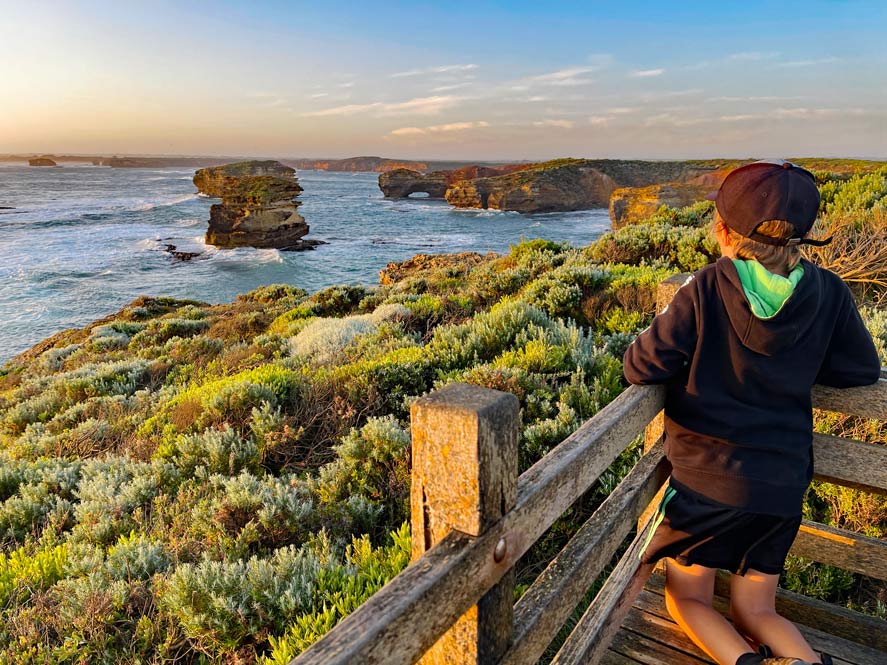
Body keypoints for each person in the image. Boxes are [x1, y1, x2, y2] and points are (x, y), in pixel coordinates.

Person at [623, 160, 881, 665]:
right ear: (804, 237)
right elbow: (861, 370)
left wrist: (667, 319)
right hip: (781, 485)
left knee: (688, 598)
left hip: (705, 486)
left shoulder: (704, 287)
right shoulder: (828, 292)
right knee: (757, 610)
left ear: (721, 229)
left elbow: (640, 366)